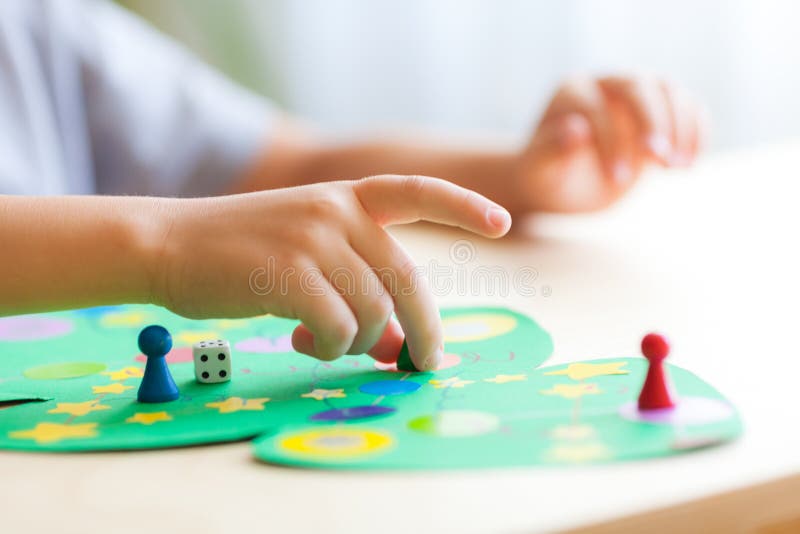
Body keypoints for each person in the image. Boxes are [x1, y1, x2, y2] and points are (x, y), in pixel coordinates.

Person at [0, 0, 705, 370]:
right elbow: (196, 228)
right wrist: (162, 247)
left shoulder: (38, 26)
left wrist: (518, 173)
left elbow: (289, 167)